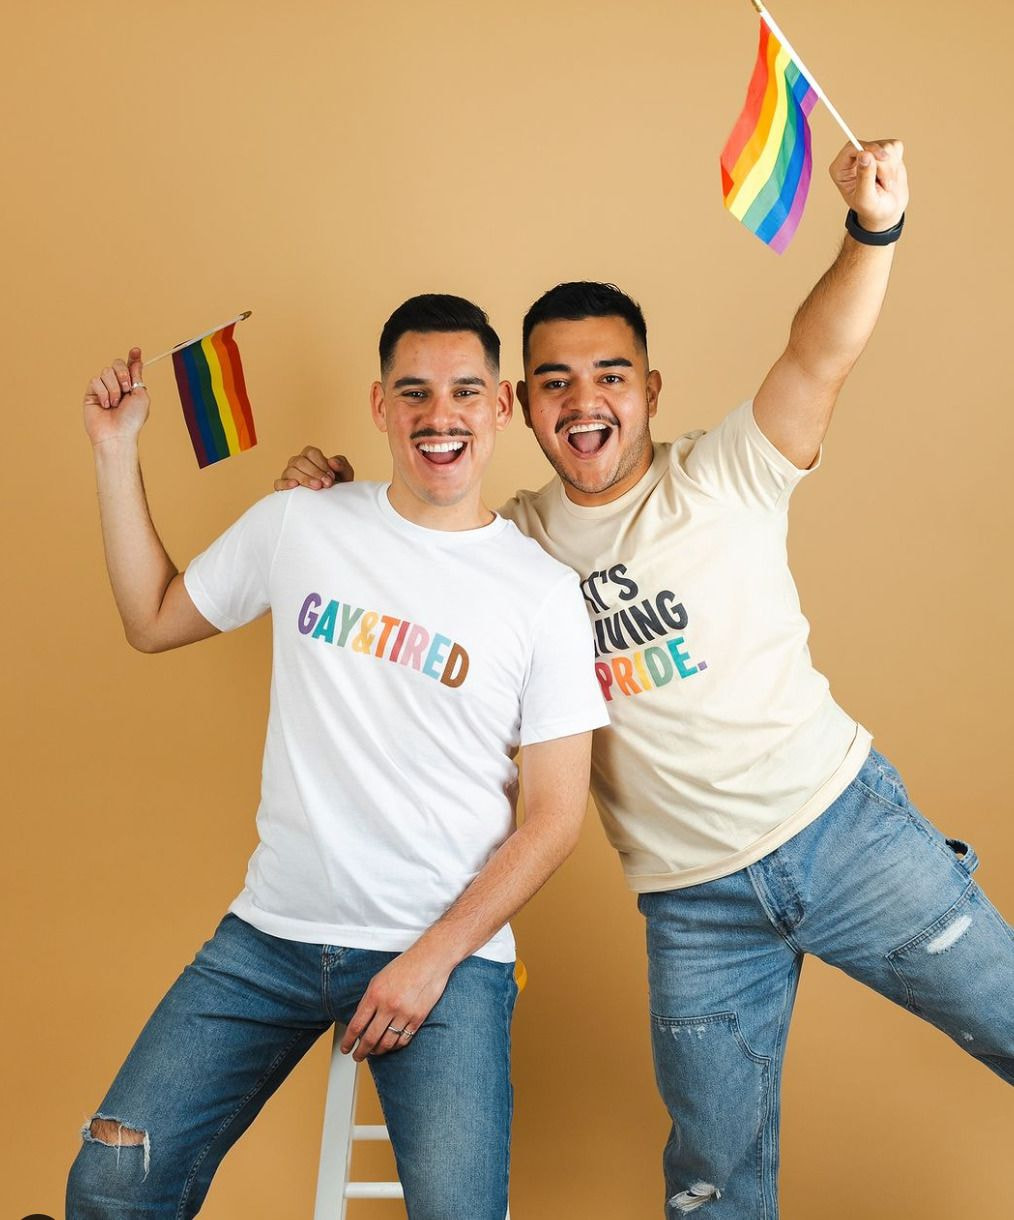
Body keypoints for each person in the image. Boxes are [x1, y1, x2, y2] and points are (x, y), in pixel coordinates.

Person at [276, 143, 1014, 1217]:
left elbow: (817, 355)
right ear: (521, 406)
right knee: (714, 1185)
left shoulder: (728, 473)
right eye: (556, 381)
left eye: (611, 374)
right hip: (691, 905)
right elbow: (403, 550)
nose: (586, 400)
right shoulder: (506, 543)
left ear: (649, 388)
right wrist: (338, 500)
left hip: (845, 832)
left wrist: (873, 231)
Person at [68, 294, 608, 1220]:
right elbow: (151, 618)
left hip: (445, 959)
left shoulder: (544, 595)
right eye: (415, 394)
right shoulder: (301, 522)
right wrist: (116, 451)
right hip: (270, 939)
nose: (440, 417)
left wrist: (431, 960)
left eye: (465, 393)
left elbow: (556, 817)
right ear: (379, 406)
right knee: (110, 1186)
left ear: (502, 407)